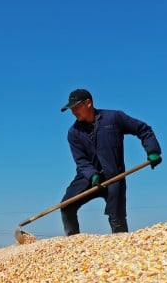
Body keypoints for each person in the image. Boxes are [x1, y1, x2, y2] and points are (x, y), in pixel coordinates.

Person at [58, 88, 161, 235]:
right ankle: (73, 242)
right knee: (66, 206)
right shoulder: (73, 133)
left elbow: (143, 129)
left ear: (88, 103)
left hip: (114, 176)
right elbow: (81, 160)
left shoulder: (113, 118)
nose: (73, 112)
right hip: (87, 177)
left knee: (117, 217)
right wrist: (92, 175)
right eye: (71, 109)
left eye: (76, 107)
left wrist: (153, 150)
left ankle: (121, 244)